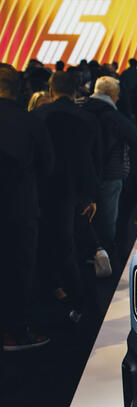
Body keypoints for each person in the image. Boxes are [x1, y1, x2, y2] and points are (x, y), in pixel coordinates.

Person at [32, 71, 107, 322]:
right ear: (76, 91)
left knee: (48, 244)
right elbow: (95, 161)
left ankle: (58, 292)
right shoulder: (88, 119)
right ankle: (81, 302)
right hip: (78, 194)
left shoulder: (37, 117)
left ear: (51, 91)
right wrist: (93, 196)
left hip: (44, 193)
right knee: (74, 246)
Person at [0, 63, 55, 350]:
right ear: (20, 87)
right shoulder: (29, 120)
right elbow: (48, 167)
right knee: (19, 272)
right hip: (19, 211)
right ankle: (16, 333)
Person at [82, 76, 137, 254]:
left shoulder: (83, 109)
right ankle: (105, 255)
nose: (118, 98)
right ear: (111, 94)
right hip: (111, 173)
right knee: (107, 218)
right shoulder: (112, 115)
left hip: (86, 172)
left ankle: (89, 252)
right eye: (117, 94)